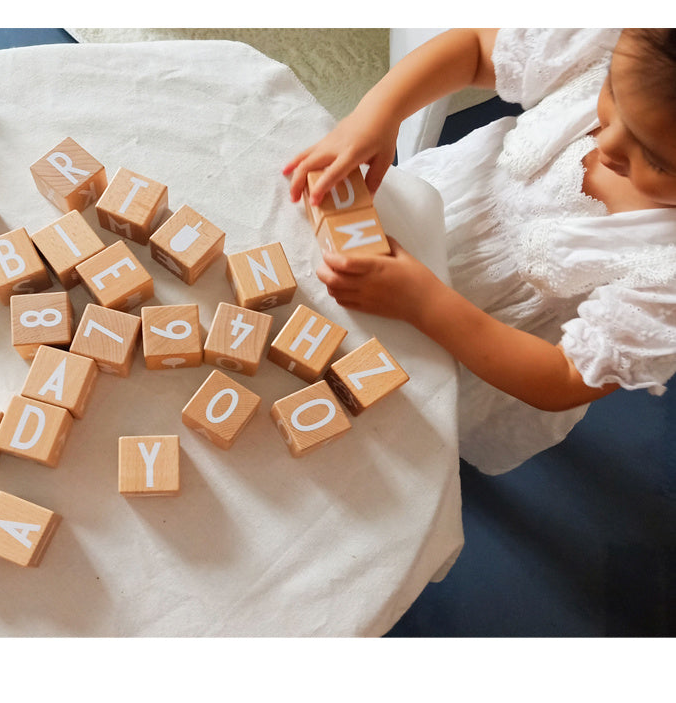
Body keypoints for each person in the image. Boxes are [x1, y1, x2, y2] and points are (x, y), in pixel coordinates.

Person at [283, 29, 676, 475]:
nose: (605, 145)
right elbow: (472, 49)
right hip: (438, 205)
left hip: (487, 337)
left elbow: (567, 378)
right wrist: (379, 113)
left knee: (389, 427)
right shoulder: (618, 43)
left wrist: (424, 303)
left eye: (658, 161)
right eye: (611, 92)